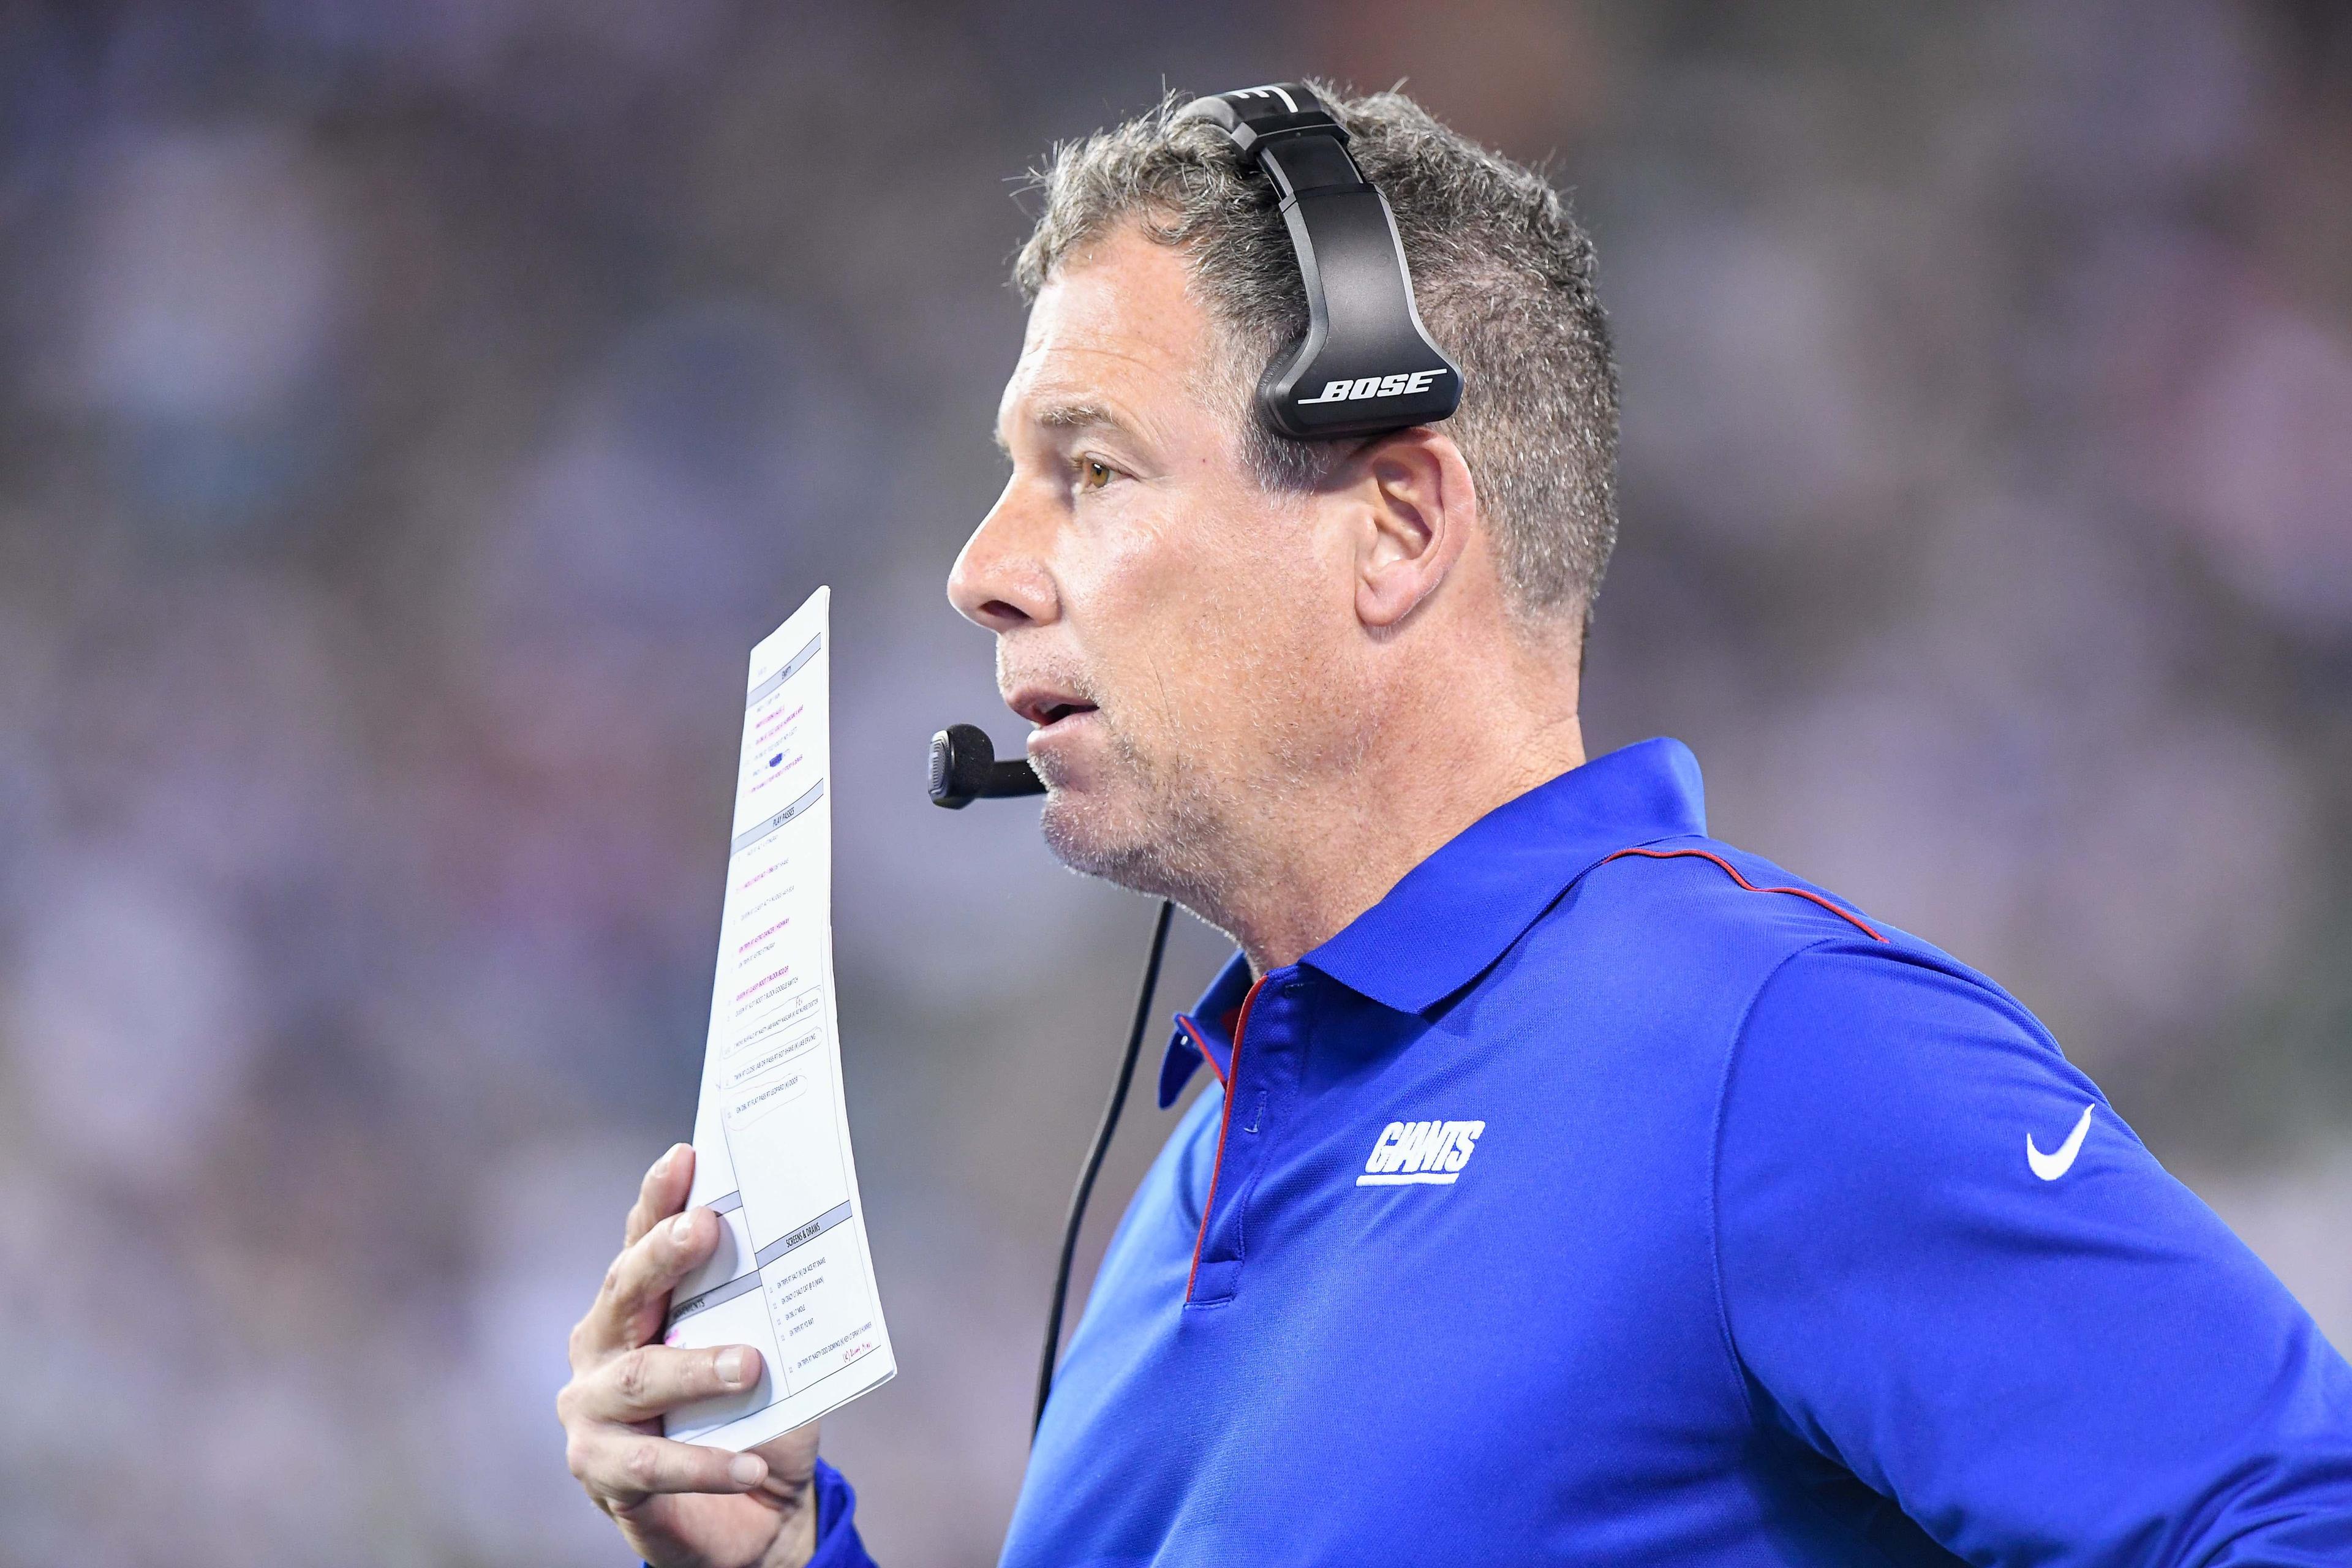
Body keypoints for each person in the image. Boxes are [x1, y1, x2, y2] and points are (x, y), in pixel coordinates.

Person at [557, 85, 2352, 1567]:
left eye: (1089, 468)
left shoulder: (1776, 1054)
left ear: (1400, 525)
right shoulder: (1196, 1179)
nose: (980, 568)